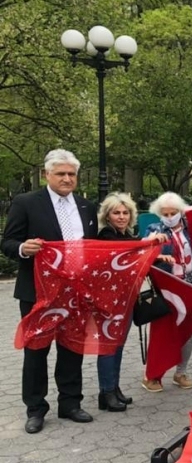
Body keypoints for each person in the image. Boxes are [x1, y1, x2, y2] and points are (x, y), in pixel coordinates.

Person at [0, 149, 97, 433]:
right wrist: (22, 249)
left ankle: (70, 403)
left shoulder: (86, 206)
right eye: (61, 174)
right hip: (38, 292)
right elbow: (8, 242)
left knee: (72, 348)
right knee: (36, 351)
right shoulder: (26, 202)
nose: (67, 179)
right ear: (47, 175)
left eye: (71, 174)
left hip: (74, 292)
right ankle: (36, 408)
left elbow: (94, 248)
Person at [95, 193, 168, 412]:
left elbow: (135, 250)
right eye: (116, 213)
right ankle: (106, 392)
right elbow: (128, 250)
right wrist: (149, 243)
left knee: (117, 345)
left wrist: (155, 254)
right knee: (108, 346)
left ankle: (113, 389)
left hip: (125, 298)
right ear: (107, 216)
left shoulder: (125, 234)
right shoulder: (106, 235)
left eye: (125, 212)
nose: (121, 217)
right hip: (109, 301)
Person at [143, 191, 192, 392]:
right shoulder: (154, 229)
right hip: (166, 286)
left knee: (189, 331)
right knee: (162, 332)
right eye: (165, 213)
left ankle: (181, 372)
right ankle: (154, 375)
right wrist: (153, 246)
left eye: (173, 212)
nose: (170, 217)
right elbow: (142, 252)